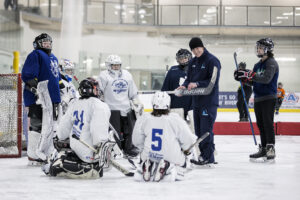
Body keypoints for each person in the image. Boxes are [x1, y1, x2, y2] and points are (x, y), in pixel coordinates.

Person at [42, 78, 112, 178]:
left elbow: (62, 132)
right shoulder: (100, 105)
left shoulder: (74, 104)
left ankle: (61, 164)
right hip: (91, 152)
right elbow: (98, 129)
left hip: (76, 148)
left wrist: (59, 137)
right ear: (94, 90)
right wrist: (100, 147)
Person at [132, 91, 197, 182]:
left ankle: (147, 164)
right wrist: (186, 150)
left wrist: (144, 148)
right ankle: (168, 167)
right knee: (186, 158)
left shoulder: (144, 118)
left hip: (149, 155)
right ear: (168, 104)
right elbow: (189, 140)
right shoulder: (175, 118)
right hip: (172, 157)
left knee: (144, 155)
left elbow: (136, 141)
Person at [176, 37, 221, 166]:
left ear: (202, 46)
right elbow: (188, 79)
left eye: (197, 48)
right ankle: (204, 155)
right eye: (193, 49)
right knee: (198, 131)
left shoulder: (213, 61)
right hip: (197, 101)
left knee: (206, 130)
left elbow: (212, 82)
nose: (196, 51)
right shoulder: (192, 62)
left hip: (209, 101)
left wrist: (197, 84)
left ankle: (208, 157)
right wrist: (184, 86)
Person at [21, 33, 63, 164]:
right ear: (37, 44)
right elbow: (28, 76)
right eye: (44, 43)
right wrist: (36, 91)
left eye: (49, 42)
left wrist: (62, 89)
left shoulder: (54, 58)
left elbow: (57, 78)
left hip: (52, 98)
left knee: (50, 126)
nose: (47, 44)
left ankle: (46, 151)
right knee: (37, 125)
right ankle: (33, 154)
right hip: (38, 98)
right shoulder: (35, 55)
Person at [235, 38, 278, 160]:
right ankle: (263, 148)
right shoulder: (257, 65)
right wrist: (242, 79)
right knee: (261, 124)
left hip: (269, 97)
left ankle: (270, 148)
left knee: (267, 123)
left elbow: (266, 79)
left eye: (260, 48)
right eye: (257, 47)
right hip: (258, 98)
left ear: (267, 50)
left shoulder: (271, 63)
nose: (258, 50)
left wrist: (250, 75)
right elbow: (253, 82)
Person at [98, 54, 143, 158]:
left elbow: (133, 92)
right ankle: (115, 149)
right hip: (111, 109)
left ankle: (129, 148)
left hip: (126, 108)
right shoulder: (104, 76)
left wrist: (136, 101)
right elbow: (100, 92)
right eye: (113, 65)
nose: (116, 67)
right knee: (114, 132)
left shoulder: (127, 75)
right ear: (108, 65)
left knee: (130, 130)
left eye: (118, 65)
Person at [161, 49, 193, 121]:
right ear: (178, 59)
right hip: (176, 105)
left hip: (192, 105)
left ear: (190, 58)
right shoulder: (172, 70)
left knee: (193, 128)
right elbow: (165, 89)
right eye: (181, 58)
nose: (183, 60)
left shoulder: (196, 70)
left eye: (185, 58)